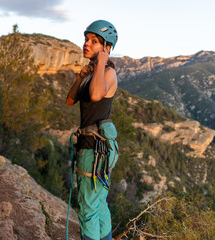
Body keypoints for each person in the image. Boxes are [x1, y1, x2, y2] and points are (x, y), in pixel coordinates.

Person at [66, 20, 120, 240]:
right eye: (86, 39)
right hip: (99, 150)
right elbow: (70, 100)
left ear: (107, 47)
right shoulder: (91, 74)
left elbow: (97, 95)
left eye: (94, 41)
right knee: (98, 206)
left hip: (93, 152)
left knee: (88, 210)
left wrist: (101, 62)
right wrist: (81, 76)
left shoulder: (107, 73)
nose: (86, 44)